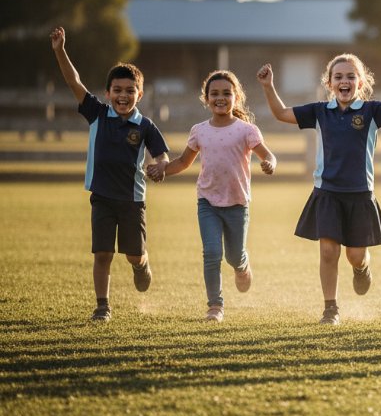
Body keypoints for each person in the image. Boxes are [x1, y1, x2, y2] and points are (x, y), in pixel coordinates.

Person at [256, 54, 381, 325]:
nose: (344, 81)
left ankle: (362, 268)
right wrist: (268, 86)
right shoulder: (321, 111)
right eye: (338, 77)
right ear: (330, 83)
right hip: (327, 192)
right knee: (328, 252)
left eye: (350, 76)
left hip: (360, 194)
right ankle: (330, 308)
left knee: (355, 255)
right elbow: (282, 114)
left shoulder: (372, 111)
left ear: (361, 82)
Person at [49, 27, 170, 322]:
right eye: (117, 90)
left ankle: (141, 265)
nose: (123, 95)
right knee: (102, 253)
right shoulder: (97, 114)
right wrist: (59, 50)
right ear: (108, 93)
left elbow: (162, 153)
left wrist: (161, 165)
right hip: (101, 196)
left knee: (131, 255)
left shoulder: (146, 126)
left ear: (139, 94)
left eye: (130, 91)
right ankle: (103, 306)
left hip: (132, 200)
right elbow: (73, 81)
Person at [146, 70, 277, 322]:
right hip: (207, 202)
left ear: (236, 97)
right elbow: (184, 162)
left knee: (233, 255)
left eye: (226, 93)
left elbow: (269, 155)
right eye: (214, 93)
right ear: (206, 98)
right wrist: (163, 169)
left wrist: (270, 163)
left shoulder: (247, 130)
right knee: (212, 253)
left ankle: (242, 266)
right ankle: (215, 306)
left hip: (237, 204)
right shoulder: (199, 131)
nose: (220, 98)